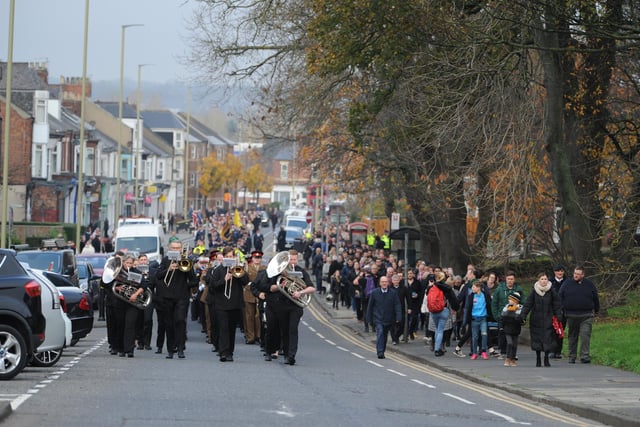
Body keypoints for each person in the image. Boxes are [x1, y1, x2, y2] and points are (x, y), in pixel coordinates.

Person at [264, 250, 315, 365]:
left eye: (294, 259)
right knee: (285, 330)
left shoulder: (301, 271)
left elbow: (312, 288)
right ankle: (286, 354)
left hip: (296, 306)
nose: (292, 262)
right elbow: (270, 288)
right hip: (281, 305)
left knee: (292, 329)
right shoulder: (279, 272)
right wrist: (280, 285)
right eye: (290, 260)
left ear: (297, 260)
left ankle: (291, 356)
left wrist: (301, 293)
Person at [155, 240, 198, 359]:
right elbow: (158, 276)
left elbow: (194, 281)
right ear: (169, 249)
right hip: (167, 297)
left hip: (182, 297)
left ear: (181, 249)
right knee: (169, 323)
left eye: (178, 248)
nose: (176, 250)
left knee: (180, 321)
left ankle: (180, 348)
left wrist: (185, 286)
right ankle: (170, 349)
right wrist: (168, 269)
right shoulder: (165, 260)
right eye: (173, 248)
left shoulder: (186, 262)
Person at [206, 247, 249, 362]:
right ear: (224, 257)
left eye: (231, 257)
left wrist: (238, 272)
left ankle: (230, 351)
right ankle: (223, 352)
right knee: (223, 328)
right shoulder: (218, 270)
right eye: (228, 257)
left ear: (234, 257)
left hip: (235, 304)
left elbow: (245, 281)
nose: (230, 259)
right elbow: (212, 287)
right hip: (221, 304)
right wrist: (224, 280)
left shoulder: (238, 269)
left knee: (231, 329)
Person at [520, 272, 563, 367]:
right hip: (536, 319)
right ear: (538, 280)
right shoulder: (534, 291)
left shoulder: (551, 291)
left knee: (548, 338)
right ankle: (538, 358)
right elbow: (528, 304)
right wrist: (523, 315)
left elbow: (557, 304)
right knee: (537, 339)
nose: (544, 281)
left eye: (545, 279)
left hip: (548, 318)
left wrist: (558, 315)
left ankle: (546, 358)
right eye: (542, 279)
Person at [559, 266, 600, 364]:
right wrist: (560, 310)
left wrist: (597, 309)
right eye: (575, 273)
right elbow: (560, 296)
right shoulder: (567, 283)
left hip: (586, 315)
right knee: (572, 336)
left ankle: (584, 356)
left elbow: (595, 297)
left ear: (583, 275)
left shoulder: (589, 284)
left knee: (585, 335)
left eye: (578, 274)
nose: (576, 275)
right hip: (571, 315)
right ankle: (572, 356)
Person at [491, 271, 525, 359]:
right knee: (502, 334)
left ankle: (512, 353)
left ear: (514, 280)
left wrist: (521, 315)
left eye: (512, 279)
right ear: (506, 279)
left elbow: (523, 303)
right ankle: (502, 351)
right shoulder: (499, 289)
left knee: (513, 337)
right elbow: (494, 303)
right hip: (502, 316)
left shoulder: (518, 289)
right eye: (508, 279)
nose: (510, 281)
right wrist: (496, 316)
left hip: (514, 317)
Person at [366, 276, 402, 359]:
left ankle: (382, 350)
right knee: (380, 332)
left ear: (388, 283)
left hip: (389, 318)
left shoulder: (393, 293)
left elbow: (397, 305)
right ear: (380, 283)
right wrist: (369, 319)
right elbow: (370, 306)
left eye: (385, 282)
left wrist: (398, 317)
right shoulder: (375, 292)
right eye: (382, 282)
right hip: (378, 318)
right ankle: (380, 352)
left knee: (384, 335)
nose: (384, 283)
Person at [426, 271, 460, 356]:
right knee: (440, 330)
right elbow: (453, 299)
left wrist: (430, 286)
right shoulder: (447, 288)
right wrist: (456, 308)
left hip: (433, 311)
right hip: (443, 310)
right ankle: (438, 349)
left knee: (437, 329)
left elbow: (427, 295)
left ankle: (437, 348)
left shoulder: (431, 287)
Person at [463, 280, 493, 360]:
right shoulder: (471, 296)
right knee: (475, 337)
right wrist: (467, 320)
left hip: (483, 318)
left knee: (484, 335)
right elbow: (468, 308)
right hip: (474, 319)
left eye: (474, 287)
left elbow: (489, 305)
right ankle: (474, 353)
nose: (472, 288)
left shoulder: (485, 295)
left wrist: (490, 316)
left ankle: (483, 351)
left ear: (479, 288)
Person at [244, 250, 264, 345]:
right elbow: (243, 280)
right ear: (252, 258)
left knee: (258, 316)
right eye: (255, 258)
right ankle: (250, 337)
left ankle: (259, 336)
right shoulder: (247, 267)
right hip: (249, 293)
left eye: (259, 258)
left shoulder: (265, 268)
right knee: (249, 316)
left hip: (260, 293)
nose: (257, 259)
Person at [500, 292, 523, 367]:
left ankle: (513, 359)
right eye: (509, 299)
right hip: (507, 328)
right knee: (510, 343)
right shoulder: (506, 307)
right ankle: (508, 358)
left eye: (511, 299)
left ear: (515, 301)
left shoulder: (520, 308)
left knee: (515, 345)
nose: (509, 301)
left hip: (516, 329)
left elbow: (520, 319)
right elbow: (503, 316)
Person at [549, 265, 567, 359]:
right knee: (552, 331)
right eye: (558, 271)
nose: (560, 273)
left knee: (560, 331)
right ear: (554, 272)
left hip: (563, 310)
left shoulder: (567, 282)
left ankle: (558, 351)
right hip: (552, 311)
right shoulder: (550, 282)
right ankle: (552, 350)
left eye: (561, 271)